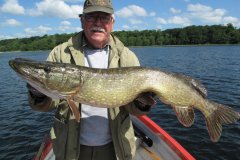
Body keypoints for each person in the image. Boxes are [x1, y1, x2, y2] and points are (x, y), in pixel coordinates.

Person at [28, 0, 155, 160]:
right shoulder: (60, 53)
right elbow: (49, 103)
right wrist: (38, 94)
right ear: (82, 20)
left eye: (104, 18)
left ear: (112, 23)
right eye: (91, 17)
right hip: (71, 148)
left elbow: (133, 109)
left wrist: (142, 102)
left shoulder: (126, 56)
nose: (98, 23)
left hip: (115, 147)